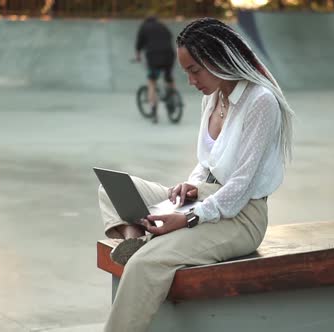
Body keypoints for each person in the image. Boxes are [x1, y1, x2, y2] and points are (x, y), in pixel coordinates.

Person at [99, 17, 294, 332]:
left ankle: (142, 250)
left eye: (194, 70)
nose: (190, 81)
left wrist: (188, 218)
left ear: (219, 59)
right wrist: (190, 184)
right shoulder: (212, 97)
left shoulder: (261, 102)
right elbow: (206, 162)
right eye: (186, 71)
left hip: (241, 217)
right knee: (112, 189)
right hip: (205, 198)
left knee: (144, 265)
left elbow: (241, 186)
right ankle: (135, 237)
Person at [135, 15, 176, 124]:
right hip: (169, 55)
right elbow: (170, 37)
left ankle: (153, 110)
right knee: (168, 77)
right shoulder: (162, 26)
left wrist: (138, 55)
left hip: (154, 57)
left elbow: (139, 43)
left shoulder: (144, 27)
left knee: (152, 81)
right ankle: (172, 98)